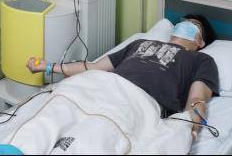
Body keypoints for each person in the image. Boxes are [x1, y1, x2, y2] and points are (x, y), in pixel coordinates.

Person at [27, 15, 219, 141]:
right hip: (101, 85)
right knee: (51, 115)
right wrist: (49, 67)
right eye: (184, 21)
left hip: (139, 99)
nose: (186, 24)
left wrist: (191, 129)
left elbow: (197, 98)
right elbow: (93, 67)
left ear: (201, 41)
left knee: (89, 135)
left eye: (194, 24)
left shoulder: (202, 60)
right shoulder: (140, 42)